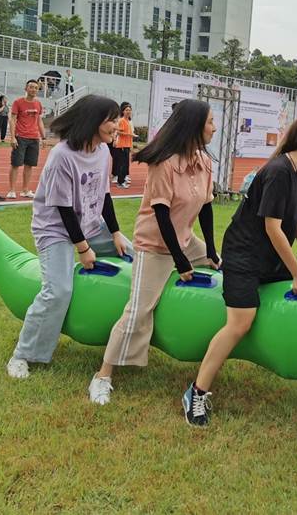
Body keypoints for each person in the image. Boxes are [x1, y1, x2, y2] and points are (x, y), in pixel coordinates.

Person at [182, 113, 297, 426]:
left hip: (269, 257)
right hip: (244, 256)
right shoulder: (280, 171)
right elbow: (273, 228)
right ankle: (196, 392)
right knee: (240, 323)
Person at [89, 100, 221, 405]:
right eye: (210, 122)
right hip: (155, 245)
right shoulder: (165, 163)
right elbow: (162, 216)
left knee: (222, 267)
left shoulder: (204, 161)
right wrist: (181, 262)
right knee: (138, 309)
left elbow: (206, 208)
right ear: (194, 126)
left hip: (185, 240)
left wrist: (212, 251)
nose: (214, 128)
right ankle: (103, 375)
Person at [6, 95, 133, 379]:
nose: (116, 125)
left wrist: (115, 233)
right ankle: (22, 354)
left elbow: (105, 195)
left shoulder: (103, 151)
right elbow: (63, 208)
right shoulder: (62, 155)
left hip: (90, 223)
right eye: (111, 120)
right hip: (55, 229)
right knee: (58, 290)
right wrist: (84, 249)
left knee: (134, 255)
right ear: (92, 121)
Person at [7, 80, 45, 199]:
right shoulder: (18, 102)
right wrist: (13, 137)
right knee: (15, 164)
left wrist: (43, 137)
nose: (33, 89)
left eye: (36, 88)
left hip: (34, 138)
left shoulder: (38, 104)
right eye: (31, 87)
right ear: (26, 88)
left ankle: (25, 190)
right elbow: (12, 120)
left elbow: (39, 121)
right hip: (21, 137)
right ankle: (12, 190)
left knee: (29, 165)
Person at [111, 102, 133, 188]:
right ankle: (120, 182)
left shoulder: (128, 121)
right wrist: (130, 135)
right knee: (122, 164)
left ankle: (122, 180)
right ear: (123, 111)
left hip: (127, 145)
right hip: (122, 145)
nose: (128, 111)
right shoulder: (121, 120)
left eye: (129, 110)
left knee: (125, 164)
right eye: (126, 110)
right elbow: (118, 131)